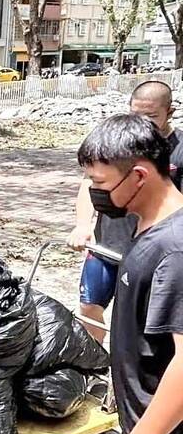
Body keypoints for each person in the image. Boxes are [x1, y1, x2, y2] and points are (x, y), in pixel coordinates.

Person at [77, 114, 183, 434]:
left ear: (139, 175)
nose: (94, 193)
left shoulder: (175, 251)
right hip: (149, 429)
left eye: (100, 184)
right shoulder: (147, 225)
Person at [68, 80, 183, 343]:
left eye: (152, 116)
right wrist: (84, 225)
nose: (143, 122)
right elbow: (89, 183)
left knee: (141, 324)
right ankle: (94, 363)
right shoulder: (116, 142)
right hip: (107, 246)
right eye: (136, 114)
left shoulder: (178, 150)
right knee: (88, 307)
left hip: (149, 253)